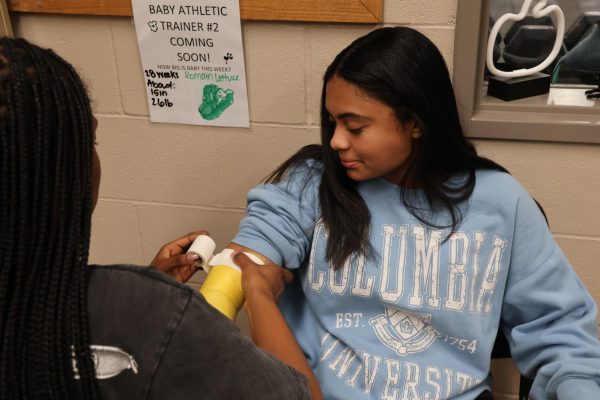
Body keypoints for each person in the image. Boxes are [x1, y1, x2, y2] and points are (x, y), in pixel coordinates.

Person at [218, 27, 600, 399]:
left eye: (354, 126)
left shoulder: (502, 202)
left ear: (414, 123)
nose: (335, 140)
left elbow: (559, 330)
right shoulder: (312, 183)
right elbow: (239, 266)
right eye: (333, 122)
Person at [0, 37, 311, 399]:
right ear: (67, 172)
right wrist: (258, 296)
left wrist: (140, 292)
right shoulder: (147, 311)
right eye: (93, 143)